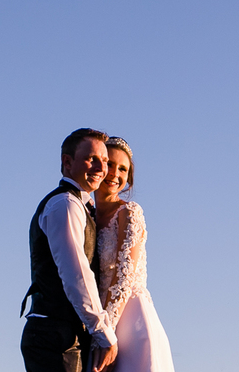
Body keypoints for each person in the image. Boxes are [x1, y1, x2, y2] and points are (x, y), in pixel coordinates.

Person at [21, 128, 120, 372]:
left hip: (65, 335)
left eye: (105, 161)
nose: (100, 168)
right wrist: (104, 333)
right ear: (67, 162)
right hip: (55, 338)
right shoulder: (65, 204)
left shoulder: (80, 205)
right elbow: (76, 274)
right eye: (92, 159)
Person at [93, 136, 175, 372]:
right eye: (110, 164)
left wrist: (105, 334)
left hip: (132, 322)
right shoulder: (86, 216)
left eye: (123, 169)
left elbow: (123, 278)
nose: (115, 173)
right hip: (98, 319)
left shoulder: (129, 213)